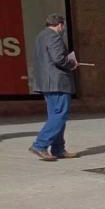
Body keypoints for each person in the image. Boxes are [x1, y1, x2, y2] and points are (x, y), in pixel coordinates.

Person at [29, 14, 79, 161]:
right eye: (63, 26)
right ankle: (40, 145)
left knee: (56, 116)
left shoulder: (41, 36)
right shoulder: (54, 36)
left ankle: (58, 149)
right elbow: (59, 59)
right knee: (60, 115)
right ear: (60, 25)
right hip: (57, 82)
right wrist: (72, 64)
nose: (63, 29)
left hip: (47, 83)